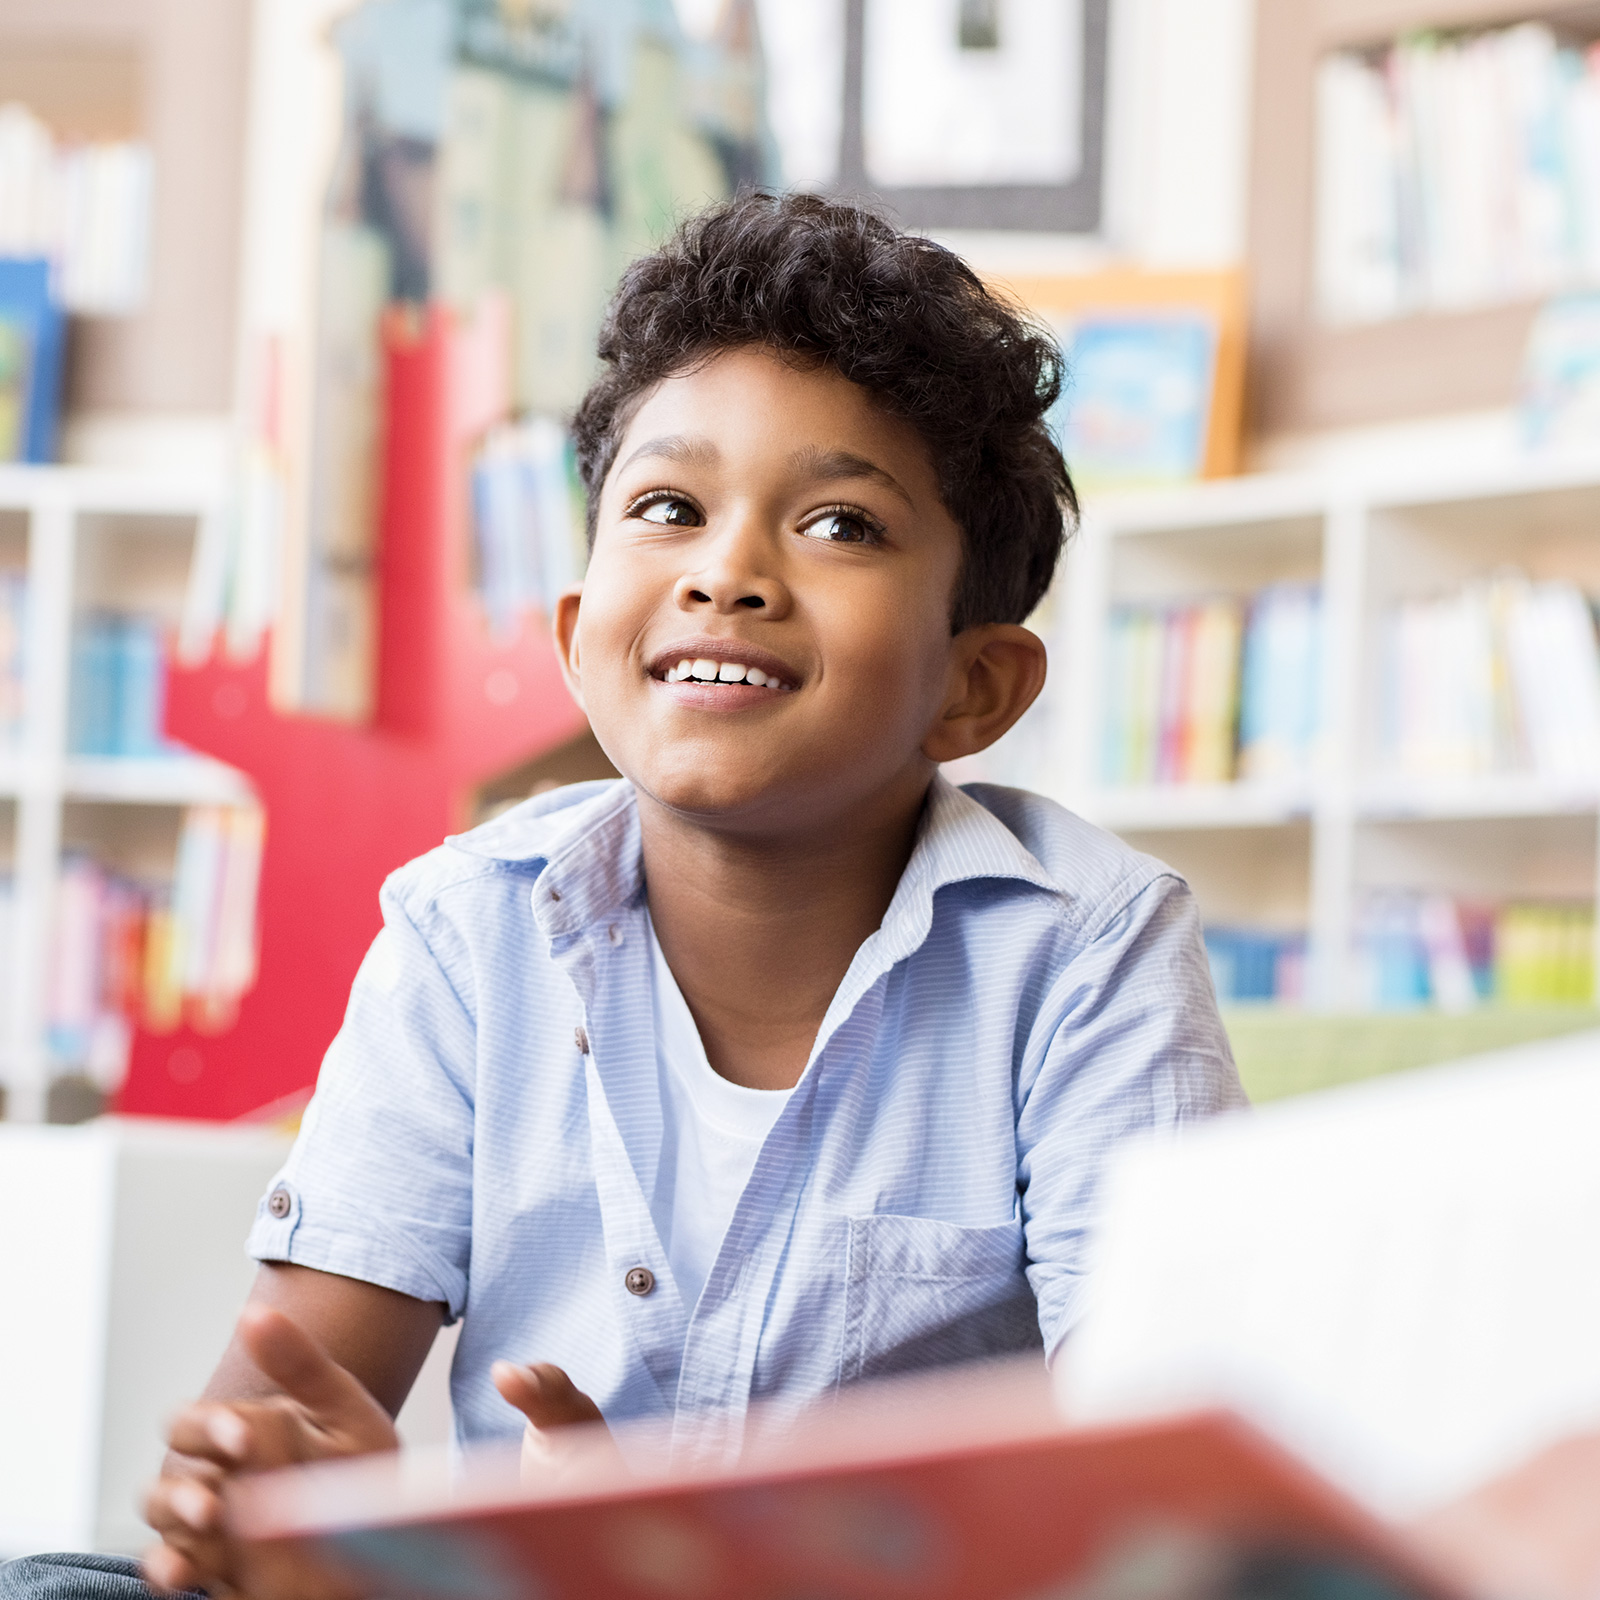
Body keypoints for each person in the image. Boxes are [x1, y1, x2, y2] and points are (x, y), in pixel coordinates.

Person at [2, 191, 1245, 1600]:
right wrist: (291, 1518)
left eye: (841, 523)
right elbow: (281, 1420)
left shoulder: (1089, 950)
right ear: (579, 639)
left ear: (975, 688)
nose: (729, 572)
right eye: (667, 508)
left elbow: (1169, 1493)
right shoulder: (467, 928)